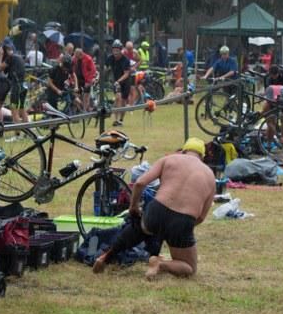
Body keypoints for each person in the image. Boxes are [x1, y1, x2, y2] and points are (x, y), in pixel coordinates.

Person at [92, 137, 215, 279]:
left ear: (184, 150)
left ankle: (105, 258)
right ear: (202, 156)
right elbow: (200, 217)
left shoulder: (170, 159)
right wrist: (179, 230)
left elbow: (139, 183)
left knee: (139, 225)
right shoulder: (209, 175)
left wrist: (133, 207)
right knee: (189, 268)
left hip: (158, 209)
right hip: (183, 220)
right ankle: (160, 264)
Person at [106, 40, 133, 126]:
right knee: (118, 98)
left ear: (121, 50)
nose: (115, 52)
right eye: (114, 50)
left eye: (117, 50)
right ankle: (116, 120)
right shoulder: (110, 58)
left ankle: (121, 119)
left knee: (123, 102)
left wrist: (118, 81)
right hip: (116, 82)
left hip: (125, 82)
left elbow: (126, 74)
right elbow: (106, 68)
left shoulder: (125, 60)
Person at [3, 40, 28, 123]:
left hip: (17, 87)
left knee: (14, 109)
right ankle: (28, 131)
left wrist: (0, 57)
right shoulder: (18, 57)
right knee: (22, 108)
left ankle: (17, 133)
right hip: (24, 85)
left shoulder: (10, 58)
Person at [73, 47, 97, 112]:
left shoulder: (88, 59)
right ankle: (80, 110)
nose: (75, 57)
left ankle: (85, 110)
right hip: (78, 79)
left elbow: (93, 70)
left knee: (86, 95)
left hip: (86, 79)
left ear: (81, 54)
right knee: (76, 95)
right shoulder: (75, 58)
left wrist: (88, 81)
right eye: (75, 56)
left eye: (77, 56)